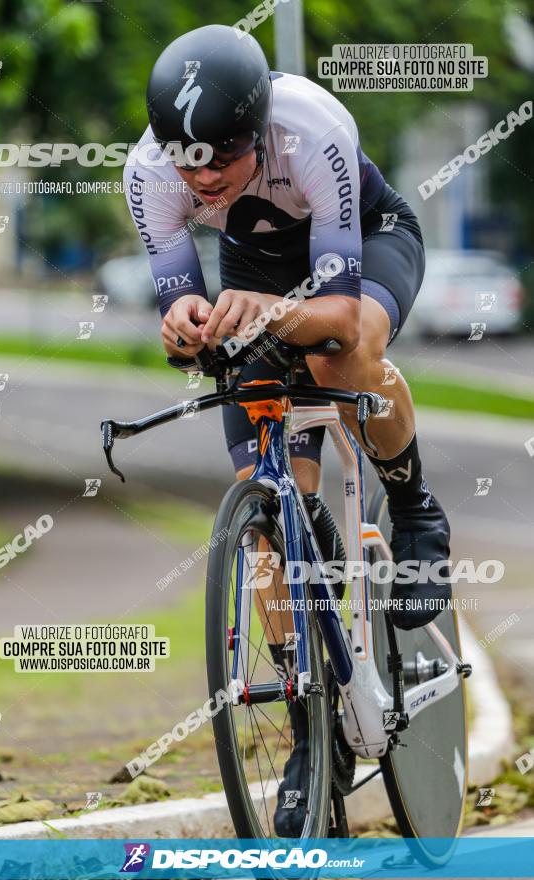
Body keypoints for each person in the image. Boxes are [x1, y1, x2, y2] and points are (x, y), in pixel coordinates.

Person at [125, 23, 452, 834]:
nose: (200, 184)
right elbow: (179, 309)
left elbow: (339, 318)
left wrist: (276, 314)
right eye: (184, 163)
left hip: (364, 247)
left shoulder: (309, 129)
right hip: (257, 267)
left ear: (256, 132)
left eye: (220, 163)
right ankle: (313, 725)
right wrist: (184, 327)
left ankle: (414, 510)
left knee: (343, 359)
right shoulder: (149, 171)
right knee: (269, 516)